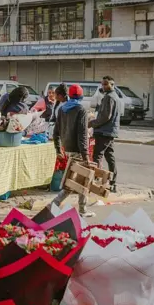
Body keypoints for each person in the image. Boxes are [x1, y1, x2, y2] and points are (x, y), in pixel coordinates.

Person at [51, 84, 94, 218]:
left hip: (67, 148)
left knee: (75, 180)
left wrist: (58, 148)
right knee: (81, 181)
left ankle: (58, 206)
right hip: (78, 150)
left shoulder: (62, 109)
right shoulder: (80, 109)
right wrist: (85, 154)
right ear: (81, 96)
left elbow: (56, 132)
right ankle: (56, 205)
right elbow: (82, 134)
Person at [90, 76, 119, 192]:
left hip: (104, 131)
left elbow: (106, 116)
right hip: (109, 131)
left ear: (112, 85)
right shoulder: (112, 97)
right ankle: (113, 183)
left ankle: (95, 181)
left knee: (97, 156)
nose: (103, 86)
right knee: (109, 156)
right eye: (102, 84)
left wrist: (92, 123)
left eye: (106, 84)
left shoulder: (110, 98)